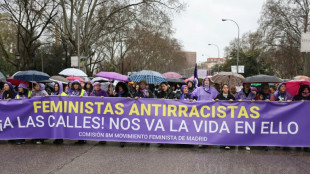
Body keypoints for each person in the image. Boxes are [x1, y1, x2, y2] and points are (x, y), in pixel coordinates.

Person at [215, 84, 235, 150]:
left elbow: (236, 103)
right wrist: (215, 100)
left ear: (228, 89)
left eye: (227, 88)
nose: (226, 89)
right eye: (224, 88)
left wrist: (233, 101)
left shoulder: (231, 96)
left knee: (229, 129)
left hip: (229, 116)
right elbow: (213, 102)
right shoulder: (219, 96)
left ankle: (228, 143)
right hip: (221, 116)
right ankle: (222, 143)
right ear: (222, 89)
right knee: (222, 129)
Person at [68, 80, 88, 144]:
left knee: (81, 124)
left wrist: (83, 98)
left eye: (77, 84)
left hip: (81, 111)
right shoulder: (70, 92)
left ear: (79, 85)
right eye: (74, 84)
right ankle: (78, 138)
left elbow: (88, 100)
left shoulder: (83, 91)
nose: (76, 85)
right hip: (73, 111)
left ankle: (83, 139)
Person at [112, 82, 131, 147]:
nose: (120, 88)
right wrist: (111, 95)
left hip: (125, 112)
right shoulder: (116, 94)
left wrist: (129, 98)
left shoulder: (127, 94)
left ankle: (123, 139)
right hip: (117, 112)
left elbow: (131, 101)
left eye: (121, 86)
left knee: (123, 125)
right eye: (119, 87)